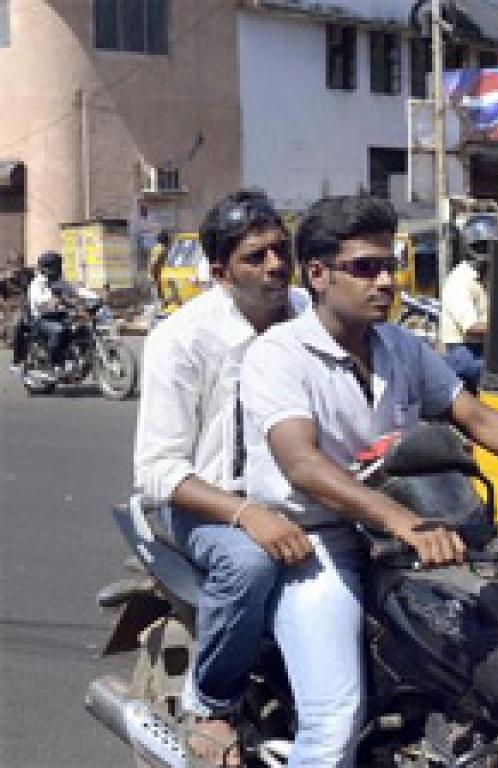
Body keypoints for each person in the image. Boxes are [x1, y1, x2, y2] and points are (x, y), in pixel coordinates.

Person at [239, 195, 498, 768]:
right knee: (334, 721)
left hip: (407, 531)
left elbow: (475, 417)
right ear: (317, 274)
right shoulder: (278, 355)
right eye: (365, 268)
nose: (385, 281)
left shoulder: (401, 346)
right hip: (318, 539)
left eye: (391, 266)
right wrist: (403, 523)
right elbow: (302, 464)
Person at [133, 189, 312, 767]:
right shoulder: (182, 338)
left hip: (308, 494)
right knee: (250, 563)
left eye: (281, 251)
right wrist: (245, 514)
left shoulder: (311, 316)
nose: (276, 266)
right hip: (211, 506)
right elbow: (159, 469)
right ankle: (211, 705)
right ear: (218, 272)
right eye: (255, 257)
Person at [440, 215, 494, 392]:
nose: (486, 252)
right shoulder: (460, 280)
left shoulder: (486, 278)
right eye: (481, 246)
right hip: (463, 352)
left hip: (482, 348)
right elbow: (471, 327)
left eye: (490, 246)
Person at [27, 251, 94, 368]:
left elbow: (76, 291)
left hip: (61, 315)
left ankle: (82, 357)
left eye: (59, 265)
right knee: (59, 331)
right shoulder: (37, 283)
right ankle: (55, 363)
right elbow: (37, 300)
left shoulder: (60, 281)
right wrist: (52, 300)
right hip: (43, 319)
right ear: (45, 267)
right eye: (56, 265)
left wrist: (95, 297)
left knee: (83, 327)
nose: (59, 268)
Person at [149, 230, 172, 304]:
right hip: (158, 277)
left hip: (156, 276)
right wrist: (153, 276)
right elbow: (154, 263)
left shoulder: (156, 248)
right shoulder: (162, 249)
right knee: (161, 298)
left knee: (158, 297)